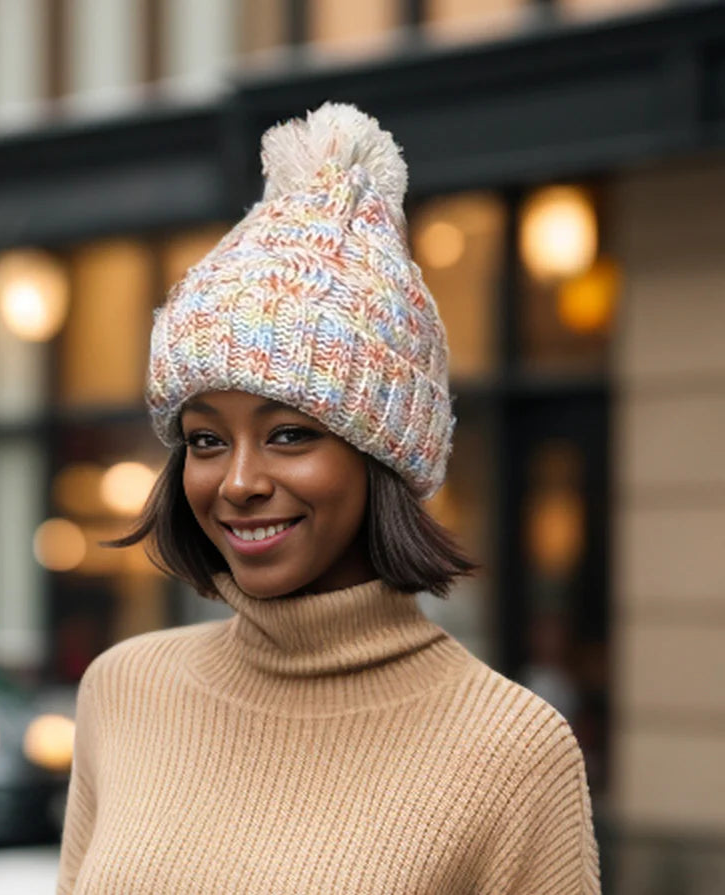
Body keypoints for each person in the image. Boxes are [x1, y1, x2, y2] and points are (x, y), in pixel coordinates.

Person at [56, 102, 602, 894]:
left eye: (287, 435)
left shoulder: (509, 752)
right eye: (206, 439)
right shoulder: (123, 689)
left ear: (381, 455)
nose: (237, 482)